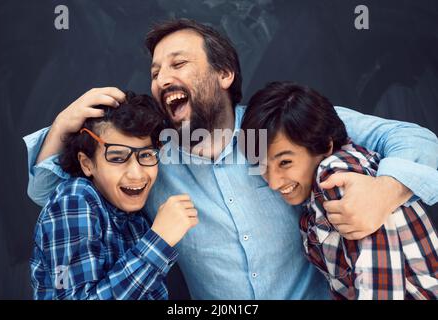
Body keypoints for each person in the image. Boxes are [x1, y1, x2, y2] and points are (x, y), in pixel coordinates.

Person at [23, 19, 438, 299]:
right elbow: (49, 193)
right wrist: (61, 125)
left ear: (224, 75)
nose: (162, 78)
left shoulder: (281, 128)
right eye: (154, 72)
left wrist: (386, 191)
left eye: (178, 63)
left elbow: (415, 138)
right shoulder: (149, 159)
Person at [241, 81, 438, 299]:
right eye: (263, 166)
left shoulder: (335, 174)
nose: (273, 183)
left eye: (285, 162)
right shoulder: (316, 190)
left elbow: (381, 291)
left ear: (325, 146)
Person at [30, 92, 198, 299]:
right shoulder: (75, 198)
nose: (137, 174)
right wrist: (159, 240)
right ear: (87, 163)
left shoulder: (133, 215)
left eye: (146, 155)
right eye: (117, 158)